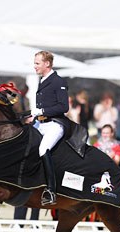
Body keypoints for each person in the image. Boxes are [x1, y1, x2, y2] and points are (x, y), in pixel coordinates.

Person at [28, 50, 69, 206]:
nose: (35, 66)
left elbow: (63, 106)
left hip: (54, 124)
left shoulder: (58, 81)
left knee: (43, 149)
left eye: (37, 63)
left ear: (47, 63)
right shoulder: (43, 80)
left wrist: (42, 111)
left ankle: (51, 190)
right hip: (40, 123)